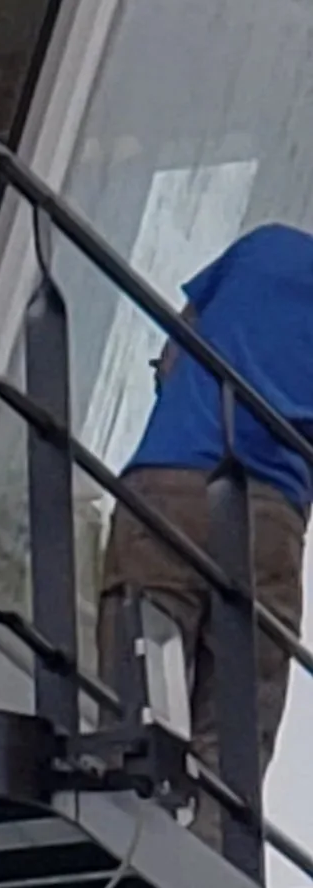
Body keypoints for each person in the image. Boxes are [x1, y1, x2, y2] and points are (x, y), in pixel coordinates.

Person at [99, 219, 313, 796]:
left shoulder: (263, 247)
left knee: (137, 699)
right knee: (232, 739)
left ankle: (128, 808)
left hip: (166, 484)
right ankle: (209, 837)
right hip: (268, 516)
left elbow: (175, 351)